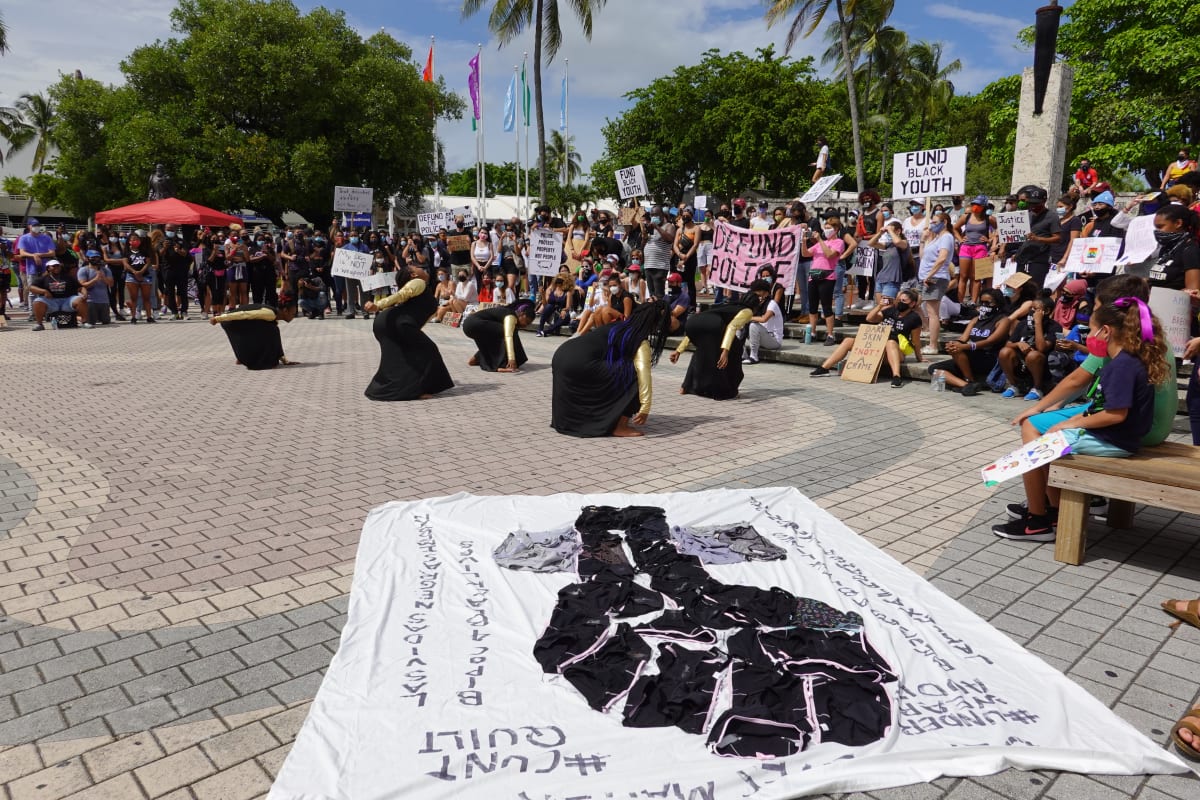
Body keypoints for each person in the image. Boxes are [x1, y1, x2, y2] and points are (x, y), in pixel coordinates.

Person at [993, 296, 1169, 542]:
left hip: (1114, 440)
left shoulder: (1122, 366)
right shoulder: (1123, 360)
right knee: (1045, 439)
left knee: (1036, 449)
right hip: (1116, 437)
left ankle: (1038, 521)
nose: (1088, 337)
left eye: (1091, 330)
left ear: (1105, 331)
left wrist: (1070, 423)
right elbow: (1102, 406)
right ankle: (1053, 512)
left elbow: (1116, 413)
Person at [550, 299, 670, 438]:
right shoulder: (639, 340)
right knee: (633, 373)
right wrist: (645, 407)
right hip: (580, 362)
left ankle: (570, 420)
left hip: (562, 355)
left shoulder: (619, 326)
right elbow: (643, 373)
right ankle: (620, 426)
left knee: (620, 369)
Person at [362, 264, 454, 401]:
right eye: (418, 268)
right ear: (413, 274)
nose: (422, 269)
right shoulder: (418, 282)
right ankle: (416, 389)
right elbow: (401, 295)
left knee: (402, 357)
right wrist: (378, 305)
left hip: (387, 322)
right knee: (429, 350)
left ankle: (385, 388)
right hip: (397, 324)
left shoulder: (421, 288)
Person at [810, 289, 925, 387]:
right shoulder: (891, 311)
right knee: (848, 341)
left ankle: (896, 376)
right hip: (876, 347)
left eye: (904, 301)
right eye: (899, 299)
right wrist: (880, 306)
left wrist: (919, 357)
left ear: (912, 304)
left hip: (896, 350)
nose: (900, 302)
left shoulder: (914, 318)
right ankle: (824, 368)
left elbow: (915, 340)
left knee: (890, 342)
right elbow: (870, 319)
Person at [670, 289, 763, 400]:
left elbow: (701, 325)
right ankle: (725, 391)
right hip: (713, 327)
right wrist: (725, 351)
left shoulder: (728, 306)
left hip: (693, 322)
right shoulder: (747, 311)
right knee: (735, 350)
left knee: (701, 351)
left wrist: (678, 350)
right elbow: (732, 327)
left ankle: (685, 387)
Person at [927, 286, 1012, 396]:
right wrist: (953, 343)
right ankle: (967, 385)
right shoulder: (976, 320)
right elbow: (963, 339)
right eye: (982, 302)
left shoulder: (1003, 320)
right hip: (972, 357)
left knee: (959, 349)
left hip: (990, 357)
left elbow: (990, 341)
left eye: (988, 303)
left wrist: (965, 347)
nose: (984, 305)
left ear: (998, 303)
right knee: (933, 369)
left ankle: (969, 380)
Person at [209, 291, 299, 369]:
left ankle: (242, 358)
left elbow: (276, 342)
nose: (293, 317)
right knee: (271, 331)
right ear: (285, 310)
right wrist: (218, 318)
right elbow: (244, 314)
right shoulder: (269, 314)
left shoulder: (273, 318)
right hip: (231, 321)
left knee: (272, 330)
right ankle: (250, 359)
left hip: (235, 321)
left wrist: (284, 360)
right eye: (293, 314)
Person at [997, 294, 1060, 400]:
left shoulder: (1054, 327)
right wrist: (1018, 344)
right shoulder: (1022, 324)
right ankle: (1014, 386)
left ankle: (1037, 388)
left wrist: (1038, 323)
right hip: (1021, 363)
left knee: (1033, 355)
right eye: (1031, 308)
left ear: (1047, 311)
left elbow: (1041, 348)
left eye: (1035, 309)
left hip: (1040, 365)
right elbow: (1008, 344)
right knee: (1005, 352)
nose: (1031, 311)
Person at [803, 216, 848, 346]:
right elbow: (806, 254)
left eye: (829, 228)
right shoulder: (818, 243)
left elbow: (829, 255)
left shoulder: (838, 242)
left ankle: (830, 334)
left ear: (836, 229)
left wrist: (820, 240)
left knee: (826, 306)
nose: (826, 230)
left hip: (827, 277)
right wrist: (804, 241)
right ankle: (812, 332)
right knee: (812, 307)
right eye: (825, 228)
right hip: (813, 275)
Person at [918, 211, 955, 355]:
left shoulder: (946, 237)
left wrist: (930, 275)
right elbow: (923, 257)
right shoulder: (935, 238)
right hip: (925, 277)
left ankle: (933, 345)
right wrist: (923, 240)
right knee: (915, 304)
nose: (932, 225)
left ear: (944, 222)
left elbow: (942, 258)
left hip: (936, 278)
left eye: (934, 222)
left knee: (933, 313)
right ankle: (927, 329)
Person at [463, 300, 535, 373]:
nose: (526, 325)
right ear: (522, 314)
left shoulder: (507, 312)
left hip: (469, 325)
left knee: (493, 341)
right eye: (527, 321)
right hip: (474, 324)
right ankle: (501, 365)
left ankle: (476, 359)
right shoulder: (511, 316)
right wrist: (511, 359)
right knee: (510, 332)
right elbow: (508, 336)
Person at [954, 195, 997, 308]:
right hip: (966, 247)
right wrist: (960, 239)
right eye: (974, 204)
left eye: (978, 205)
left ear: (983, 206)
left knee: (977, 276)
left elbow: (1000, 229)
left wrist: (990, 239)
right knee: (963, 276)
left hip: (980, 247)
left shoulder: (989, 218)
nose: (975, 207)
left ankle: (973, 301)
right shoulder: (966, 217)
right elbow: (954, 228)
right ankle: (960, 301)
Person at [28, 259, 86, 331]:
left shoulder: (68, 277)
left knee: (80, 299)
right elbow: (31, 287)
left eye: (58, 266)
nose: (56, 268)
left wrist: (84, 294)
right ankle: (39, 324)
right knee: (37, 302)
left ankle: (84, 322)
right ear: (48, 268)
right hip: (51, 302)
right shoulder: (43, 278)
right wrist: (44, 291)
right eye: (54, 266)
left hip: (67, 300)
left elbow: (80, 287)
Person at [742, 279, 784, 365]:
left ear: (764, 292)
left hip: (774, 341)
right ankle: (743, 354)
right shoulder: (759, 303)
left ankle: (754, 356)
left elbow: (764, 319)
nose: (755, 295)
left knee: (753, 325)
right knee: (739, 325)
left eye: (757, 293)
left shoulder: (772, 304)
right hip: (763, 336)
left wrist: (749, 318)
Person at [641, 205, 675, 299]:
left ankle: (660, 312)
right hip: (648, 265)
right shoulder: (650, 228)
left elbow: (669, 239)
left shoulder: (669, 226)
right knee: (652, 294)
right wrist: (644, 237)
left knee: (659, 294)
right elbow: (642, 247)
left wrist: (657, 227)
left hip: (660, 266)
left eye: (656, 215)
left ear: (662, 215)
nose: (653, 217)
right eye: (652, 215)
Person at [77, 250, 114, 328]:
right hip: (90, 300)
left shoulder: (105, 270)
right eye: (93, 257)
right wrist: (95, 279)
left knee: (106, 321)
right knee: (91, 322)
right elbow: (83, 285)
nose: (96, 259)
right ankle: (77, 317)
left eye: (97, 257)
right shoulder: (83, 270)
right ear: (87, 258)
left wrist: (103, 278)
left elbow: (111, 284)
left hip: (104, 301)